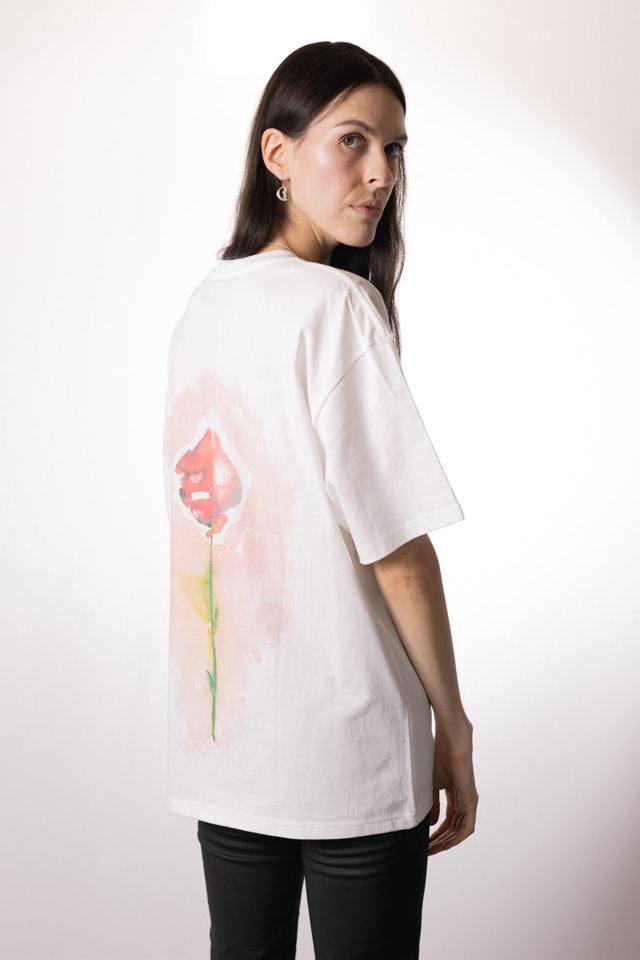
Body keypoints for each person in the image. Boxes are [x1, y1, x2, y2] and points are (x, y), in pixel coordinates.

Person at [163, 40, 478, 960]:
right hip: (349, 752)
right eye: (353, 141)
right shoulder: (335, 308)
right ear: (278, 153)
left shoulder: (204, 306)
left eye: (394, 149)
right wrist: (454, 730)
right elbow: (398, 553)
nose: (381, 174)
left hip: (226, 749)